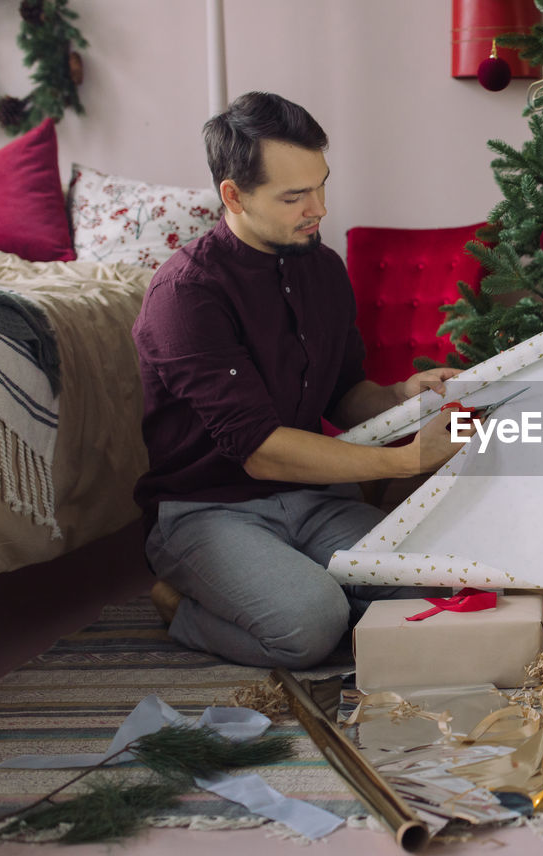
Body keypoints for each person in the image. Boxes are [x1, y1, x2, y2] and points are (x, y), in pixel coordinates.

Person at [133, 92, 460, 669]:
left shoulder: (322, 266)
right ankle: (179, 605)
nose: (320, 209)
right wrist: (408, 461)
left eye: (321, 184)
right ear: (233, 195)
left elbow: (344, 393)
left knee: (442, 589)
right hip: (209, 509)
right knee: (309, 626)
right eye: (294, 196)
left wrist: (402, 396)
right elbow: (261, 453)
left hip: (313, 498)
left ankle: (321, 587)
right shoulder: (186, 295)